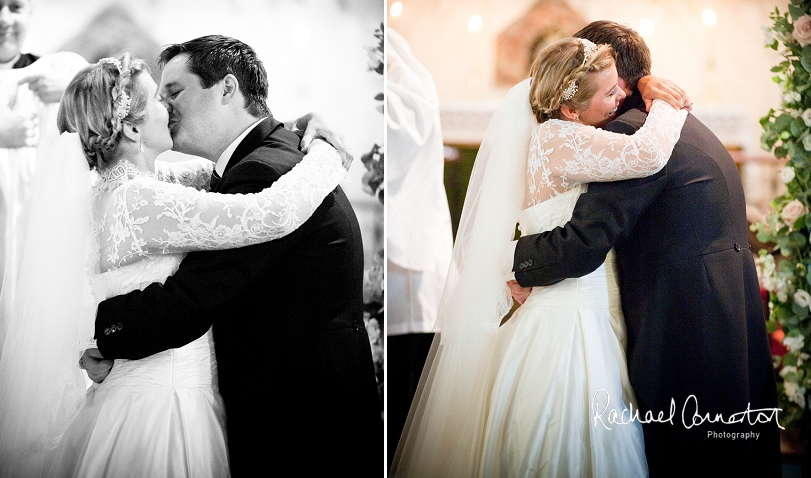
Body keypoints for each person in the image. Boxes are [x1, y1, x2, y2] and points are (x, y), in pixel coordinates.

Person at [0, 51, 352, 478]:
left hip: (146, 392)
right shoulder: (140, 200)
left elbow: (227, 166)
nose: (169, 107)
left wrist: (298, 124)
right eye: (159, 99)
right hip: (162, 409)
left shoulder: (132, 188)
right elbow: (272, 213)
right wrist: (328, 151)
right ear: (134, 127)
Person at [82, 36, 382, 476]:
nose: (166, 107)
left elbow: (190, 299)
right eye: (159, 97)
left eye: (175, 91)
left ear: (226, 89)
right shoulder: (265, 160)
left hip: (297, 420)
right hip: (294, 406)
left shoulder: (260, 171)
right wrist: (319, 143)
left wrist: (102, 333)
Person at [391, 35, 689, 477]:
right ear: (570, 109)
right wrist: (666, 102)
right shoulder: (557, 138)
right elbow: (647, 153)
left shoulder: (564, 132)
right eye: (610, 92)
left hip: (576, 308)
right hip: (567, 321)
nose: (622, 95)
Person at [509, 21, 781, 476]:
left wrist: (518, 262)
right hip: (727, 302)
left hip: (685, 314)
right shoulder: (681, 122)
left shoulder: (635, 133)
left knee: (691, 452)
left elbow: (585, 241)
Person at [0, 0, 85, 449]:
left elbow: (130, 121)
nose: (4, 19)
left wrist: (75, 90)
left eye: (15, 6)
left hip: (37, 261)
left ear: (31, 10)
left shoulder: (59, 74)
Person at [385, 28, 452, 463]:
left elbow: (397, 136)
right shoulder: (400, 83)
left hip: (409, 264)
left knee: (408, 401)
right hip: (400, 264)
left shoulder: (409, 87)